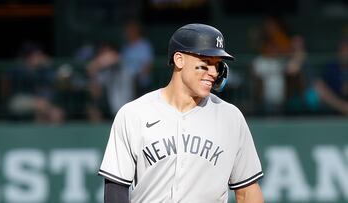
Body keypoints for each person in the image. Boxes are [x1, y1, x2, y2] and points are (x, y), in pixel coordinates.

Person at [98, 23, 264, 203]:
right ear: (179, 59)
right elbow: (115, 189)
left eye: (217, 65)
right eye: (205, 64)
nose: (213, 72)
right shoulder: (134, 113)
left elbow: (248, 192)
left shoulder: (231, 118)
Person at [2, 41, 64, 123]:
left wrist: (49, 65)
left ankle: (45, 134)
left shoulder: (43, 70)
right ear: (29, 57)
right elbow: (5, 80)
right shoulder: (19, 68)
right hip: (18, 100)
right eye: (37, 55)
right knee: (44, 107)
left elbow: (54, 80)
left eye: (40, 55)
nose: (40, 58)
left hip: (39, 102)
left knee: (56, 113)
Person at [86, 42, 134, 122]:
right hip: (114, 114)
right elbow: (96, 93)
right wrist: (93, 75)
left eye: (105, 52)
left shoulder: (122, 64)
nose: (103, 56)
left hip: (129, 112)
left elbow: (114, 58)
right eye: (101, 53)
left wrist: (94, 65)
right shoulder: (106, 72)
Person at [314, 38, 348, 116]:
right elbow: (320, 85)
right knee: (319, 87)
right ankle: (344, 109)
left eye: (347, 50)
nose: (345, 53)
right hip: (336, 102)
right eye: (342, 50)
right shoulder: (331, 67)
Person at [121, 20, 154, 98]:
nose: (128, 32)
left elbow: (148, 66)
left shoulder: (144, 45)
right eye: (127, 30)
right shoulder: (126, 46)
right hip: (126, 83)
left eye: (131, 30)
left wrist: (137, 79)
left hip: (141, 85)